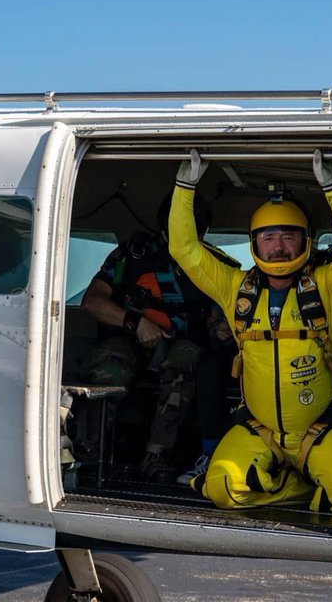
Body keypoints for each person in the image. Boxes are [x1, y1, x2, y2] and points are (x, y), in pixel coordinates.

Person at [168, 149, 332, 515]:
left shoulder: (328, 286)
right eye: (268, 237)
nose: (278, 246)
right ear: (254, 243)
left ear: (306, 241)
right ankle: (301, 486)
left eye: (289, 236)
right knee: (221, 488)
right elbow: (184, 249)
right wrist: (185, 187)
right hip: (260, 429)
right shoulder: (234, 288)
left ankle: (319, 477)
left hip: (317, 430)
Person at [81, 192, 235, 483]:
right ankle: (90, 456)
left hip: (183, 342)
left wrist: (221, 328)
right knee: (109, 366)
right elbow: (92, 301)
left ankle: (157, 457)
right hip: (129, 338)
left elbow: (221, 313)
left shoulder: (213, 264)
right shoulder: (133, 254)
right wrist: (136, 323)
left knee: (185, 359)